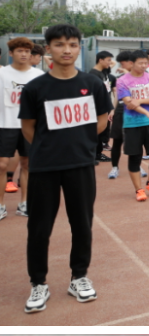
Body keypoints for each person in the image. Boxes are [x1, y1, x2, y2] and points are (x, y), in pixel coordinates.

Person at [19, 23, 112, 315]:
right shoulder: (35, 88)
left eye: (72, 44)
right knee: (39, 228)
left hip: (81, 165)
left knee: (82, 224)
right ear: (48, 49)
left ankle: (79, 276)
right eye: (59, 44)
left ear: (79, 48)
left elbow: (102, 119)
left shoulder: (92, 84)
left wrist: (81, 143)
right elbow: (28, 127)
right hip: (44, 167)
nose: (66, 50)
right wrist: (49, 147)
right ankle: (38, 283)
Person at [0, 37, 42, 221]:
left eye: (27, 51)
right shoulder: (2, 74)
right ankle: (1, 205)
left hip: (29, 126)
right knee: (1, 165)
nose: (24, 54)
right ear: (11, 53)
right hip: (4, 124)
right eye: (19, 51)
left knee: (28, 164)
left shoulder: (38, 75)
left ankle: (25, 203)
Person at [116, 49, 149, 203]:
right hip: (132, 124)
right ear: (131, 63)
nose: (144, 66)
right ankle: (139, 189)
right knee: (135, 157)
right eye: (141, 63)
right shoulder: (122, 81)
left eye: (146, 63)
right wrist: (148, 113)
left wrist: (140, 100)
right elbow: (129, 103)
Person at [108, 50, 146, 181]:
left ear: (131, 63)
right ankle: (115, 167)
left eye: (123, 63)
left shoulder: (144, 76)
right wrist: (113, 109)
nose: (121, 66)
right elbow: (117, 95)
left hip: (135, 111)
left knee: (136, 141)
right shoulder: (120, 78)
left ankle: (138, 166)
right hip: (121, 110)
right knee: (117, 140)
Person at [89, 50, 115, 164]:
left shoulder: (103, 72)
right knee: (97, 131)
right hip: (96, 108)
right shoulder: (93, 74)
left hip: (104, 106)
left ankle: (98, 154)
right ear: (100, 60)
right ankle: (94, 155)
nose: (110, 63)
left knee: (103, 131)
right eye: (108, 60)